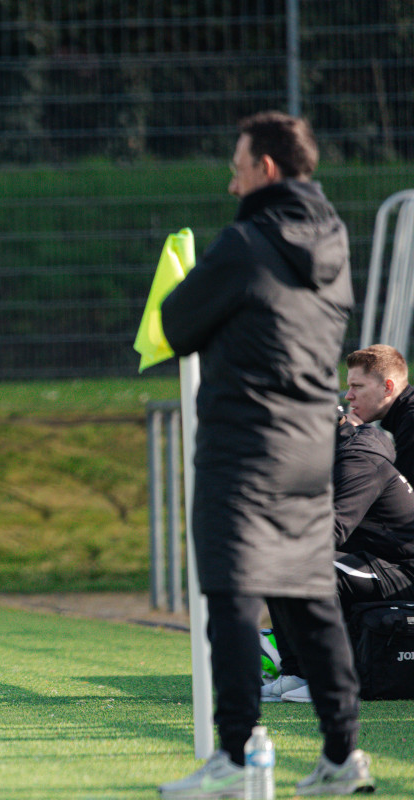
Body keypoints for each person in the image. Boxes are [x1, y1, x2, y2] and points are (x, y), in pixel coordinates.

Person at [157, 111, 374, 797]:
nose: (231, 181)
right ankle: (343, 756)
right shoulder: (336, 244)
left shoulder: (245, 243)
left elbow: (176, 321)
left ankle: (232, 756)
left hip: (244, 447)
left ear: (267, 170)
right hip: (312, 449)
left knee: (231, 595)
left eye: (238, 166)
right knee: (311, 600)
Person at [263, 409, 414, 703]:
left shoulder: (358, 460)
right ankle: (298, 673)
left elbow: (333, 530)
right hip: (373, 559)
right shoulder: (324, 458)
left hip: (403, 570)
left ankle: (329, 678)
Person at [344, 344, 414, 479]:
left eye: (357, 386)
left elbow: (402, 494)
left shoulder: (411, 422)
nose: (348, 396)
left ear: (387, 388)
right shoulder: (405, 417)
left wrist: (361, 439)